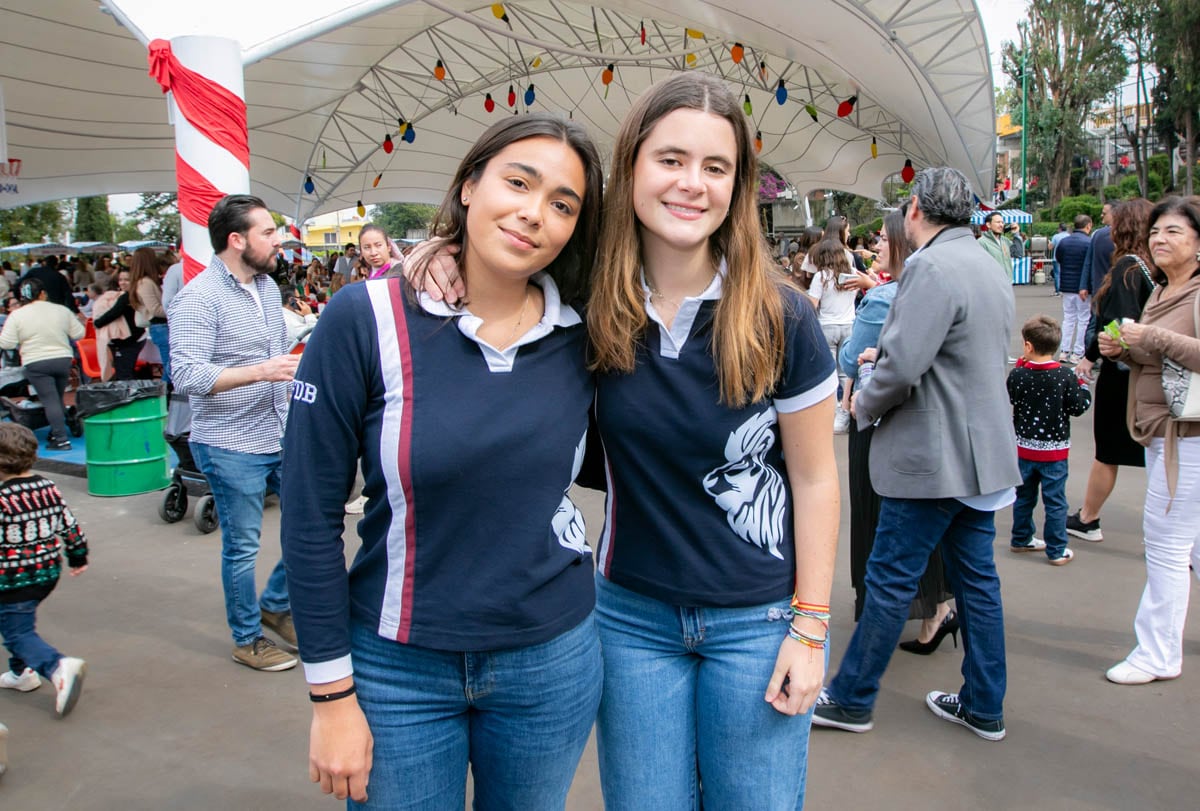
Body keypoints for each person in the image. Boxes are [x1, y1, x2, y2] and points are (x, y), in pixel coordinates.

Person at [281, 113, 604, 808]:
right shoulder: (362, 317)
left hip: (552, 661)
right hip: (397, 667)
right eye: (517, 182)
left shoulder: (588, 330)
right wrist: (331, 694)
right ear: (467, 185)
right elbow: (308, 516)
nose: (533, 213)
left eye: (562, 203)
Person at [586, 73, 839, 810]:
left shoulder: (781, 315)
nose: (691, 183)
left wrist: (812, 629)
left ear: (739, 184)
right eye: (670, 159)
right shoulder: (588, 303)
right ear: (632, 164)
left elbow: (817, 479)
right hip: (629, 617)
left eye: (715, 166)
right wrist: (430, 254)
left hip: (758, 621)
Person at [812, 166, 1020, 742]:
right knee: (977, 581)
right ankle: (984, 703)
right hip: (981, 454)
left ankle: (852, 698)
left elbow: (903, 367)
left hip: (933, 456)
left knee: (889, 578)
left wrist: (863, 402)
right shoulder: (987, 260)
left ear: (917, 212)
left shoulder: (929, 265)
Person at [169, 194, 300, 673]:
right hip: (228, 443)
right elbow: (186, 375)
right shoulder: (198, 298)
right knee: (242, 546)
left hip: (279, 431)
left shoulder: (266, 288)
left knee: (311, 526)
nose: (277, 240)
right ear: (236, 239)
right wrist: (262, 371)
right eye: (268, 232)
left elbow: (274, 353)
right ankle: (247, 638)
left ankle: (275, 604)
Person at [838, 209, 955, 649]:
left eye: (884, 241)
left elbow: (850, 358)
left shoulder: (884, 298)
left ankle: (888, 621)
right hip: (920, 424)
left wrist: (864, 354)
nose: (876, 247)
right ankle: (936, 608)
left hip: (877, 419)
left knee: (880, 524)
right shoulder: (926, 285)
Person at [1098, 196, 1200, 685]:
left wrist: (1149, 339)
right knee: (1191, 545)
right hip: (1165, 432)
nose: (1160, 239)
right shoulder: (1162, 290)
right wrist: (1123, 348)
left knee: (1166, 544)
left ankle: (1157, 653)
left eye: (1174, 232)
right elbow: (1156, 358)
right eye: (1157, 231)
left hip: (1188, 438)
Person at [1070, 199, 1156, 542]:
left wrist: (1091, 356)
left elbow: (1116, 324)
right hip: (1152, 372)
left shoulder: (1127, 269)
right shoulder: (1155, 268)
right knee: (1159, 456)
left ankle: (1088, 518)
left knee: (1107, 451)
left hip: (1123, 376)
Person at [0, 423, 88, 717]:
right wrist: (78, 557)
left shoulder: (2, 498)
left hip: (13, 579)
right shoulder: (47, 487)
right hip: (47, 571)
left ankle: (56, 666)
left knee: (17, 633)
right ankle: (21, 674)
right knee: (19, 623)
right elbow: (70, 525)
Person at [1007, 315, 1092, 565]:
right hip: (1054, 452)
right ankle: (1056, 549)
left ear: (1028, 346)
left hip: (1023, 448)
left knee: (1023, 496)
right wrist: (1084, 389)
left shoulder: (1018, 375)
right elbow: (1078, 407)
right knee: (1055, 502)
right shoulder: (1064, 376)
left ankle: (1021, 538)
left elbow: (1012, 398)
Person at [0, 279, 85, 451]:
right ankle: (59, 431)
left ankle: (60, 439)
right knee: (57, 396)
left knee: (49, 399)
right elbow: (79, 333)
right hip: (62, 359)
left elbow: (7, 343)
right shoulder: (60, 310)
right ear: (43, 293)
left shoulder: (17, 315)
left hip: (35, 361)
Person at [807, 238, 861, 433]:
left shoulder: (821, 277)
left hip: (826, 327)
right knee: (845, 372)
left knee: (828, 373)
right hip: (849, 325)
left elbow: (811, 304)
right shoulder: (853, 274)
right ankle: (843, 412)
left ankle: (828, 412)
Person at [91, 269, 146, 380]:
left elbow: (114, 313)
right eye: (120, 280)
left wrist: (97, 323)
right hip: (134, 338)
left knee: (124, 373)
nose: (122, 282)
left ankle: (129, 396)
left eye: (127, 280)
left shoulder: (126, 297)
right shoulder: (128, 295)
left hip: (131, 340)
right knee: (125, 370)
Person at [128, 246, 171, 384]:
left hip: (160, 327)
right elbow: (155, 309)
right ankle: (164, 397)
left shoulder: (142, 282)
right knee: (170, 367)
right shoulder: (145, 283)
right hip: (161, 326)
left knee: (170, 366)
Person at [1055, 215, 1093, 362]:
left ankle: (1064, 351)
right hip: (1082, 287)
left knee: (1068, 318)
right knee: (1083, 319)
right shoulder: (1089, 243)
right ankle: (1078, 352)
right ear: (1088, 226)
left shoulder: (1064, 242)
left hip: (1066, 285)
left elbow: (1059, 258)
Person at [1049, 222, 1069, 296]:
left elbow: (1050, 247)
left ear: (1060, 229)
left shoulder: (1056, 236)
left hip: (1056, 258)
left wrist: (1049, 243)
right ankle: (1065, 289)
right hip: (1067, 258)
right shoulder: (1069, 236)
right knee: (1066, 274)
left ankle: (1058, 291)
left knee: (1057, 274)